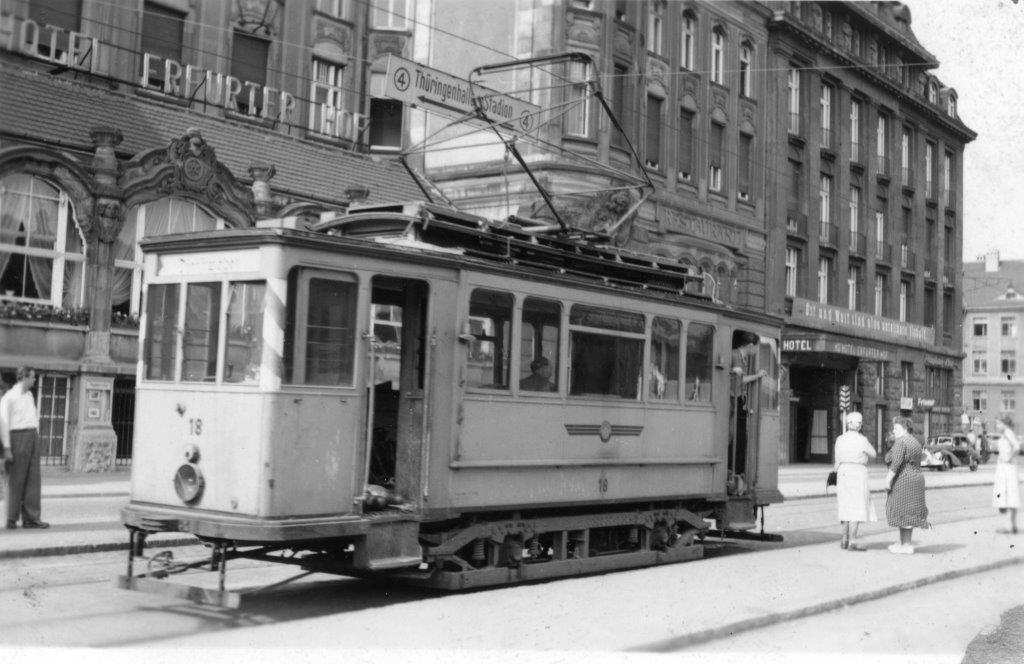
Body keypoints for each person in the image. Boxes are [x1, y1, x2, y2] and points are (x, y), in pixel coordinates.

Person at [0, 367, 48, 529]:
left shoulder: (29, 396)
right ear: (24, 377)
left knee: (33, 479)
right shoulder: (9, 397)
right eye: (33, 377)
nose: (35, 380)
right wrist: (6, 447)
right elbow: (4, 424)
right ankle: (11, 518)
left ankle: (31, 518)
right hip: (16, 437)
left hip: (32, 436)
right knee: (15, 479)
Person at [833, 411, 877, 551]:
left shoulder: (840, 439)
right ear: (858, 425)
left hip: (843, 472)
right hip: (858, 472)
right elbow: (874, 454)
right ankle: (852, 540)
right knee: (857, 506)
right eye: (860, 422)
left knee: (845, 505)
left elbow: (837, 460)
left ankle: (844, 538)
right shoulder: (862, 440)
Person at [884, 416, 928, 554]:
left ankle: (907, 545)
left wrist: (888, 480)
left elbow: (895, 463)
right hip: (916, 479)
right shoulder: (915, 441)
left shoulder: (901, 442)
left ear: (904, 428)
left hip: (903, 480)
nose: (894, 431)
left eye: (896, 428)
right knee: (908, 512)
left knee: (902, 511)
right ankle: (904, 543)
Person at [730, 331, 768, 483]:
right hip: (734, 400)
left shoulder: (741, 357)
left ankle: (738, 473)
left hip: (739, 400)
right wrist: (757, 376)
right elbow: (739, 381)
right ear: (751, 345)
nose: (756, 351)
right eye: (756, 348)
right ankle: (736, 473)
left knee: (741, 439)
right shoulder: (734, 355)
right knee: (738, 438)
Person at [991, 415, 1021, 534]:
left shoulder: (1008, 433)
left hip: (1007, 468)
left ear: (1004, 424)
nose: (997, 426)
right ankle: (1012, 525)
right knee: (1011, 495)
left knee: (1008, 495)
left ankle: (1009, 526)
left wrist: (1008, 458)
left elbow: (1017, 447)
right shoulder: (1006, 434)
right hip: (1006, 468)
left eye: (998, 424)